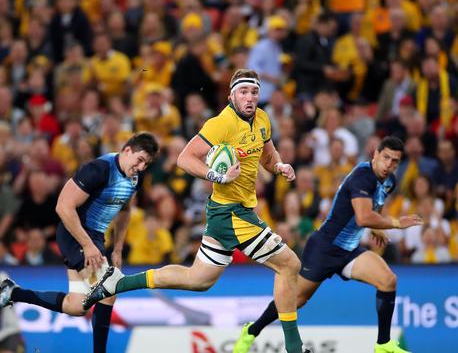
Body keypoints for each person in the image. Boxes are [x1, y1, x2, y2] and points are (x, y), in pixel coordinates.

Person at [83, 69, 308, 353]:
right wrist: (218, 176)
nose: (249, 98)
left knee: (197, 280)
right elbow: (184, 158)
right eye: (243, 92)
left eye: (253, 92)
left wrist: (278, 166)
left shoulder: (262, 119)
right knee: (290, 265)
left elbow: (267, 153)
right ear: (231, 96)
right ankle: (294, 348)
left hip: (227, 213)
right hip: (231, 213)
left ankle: (118, 283)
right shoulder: (220, 124)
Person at [234, 136, 422, 353]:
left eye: (395, 161)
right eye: (386, 157)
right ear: (375, 155)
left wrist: (377, 227)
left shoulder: (389, 181)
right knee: (295, 300)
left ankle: (383, 344)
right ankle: (251, 331)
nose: (389, 164)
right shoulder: (362, 177)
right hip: (324, 248)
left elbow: (373, 208)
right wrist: (396, 223)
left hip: (349, 250)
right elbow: (362, 217)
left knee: (388, 281)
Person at [0, 132, 159, 353]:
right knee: (109, 290)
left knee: (76, 306)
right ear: (127, 151)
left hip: (95, 237)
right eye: (140, 160)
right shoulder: (99, 169)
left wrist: (117, 248)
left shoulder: (135, 177)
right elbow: (63, 207)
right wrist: (87, 245)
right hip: (74, 233)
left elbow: (124, 210)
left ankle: (13, 292)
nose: (142, 167)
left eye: (147, 163)